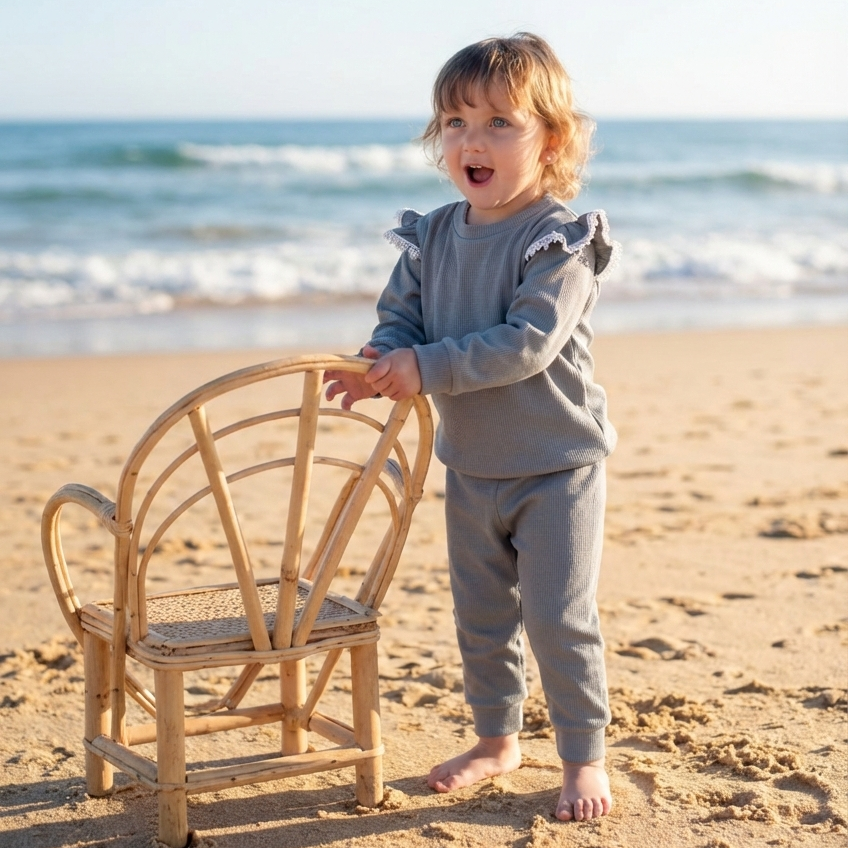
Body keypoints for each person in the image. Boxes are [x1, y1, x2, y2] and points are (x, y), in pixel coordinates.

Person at [324, 32, 619, 822]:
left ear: (549, 138)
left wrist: (428, 369)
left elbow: (528, 342)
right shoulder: (434, 235)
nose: (471, 141)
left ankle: (584, 756)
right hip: (472, 464)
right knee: (481, 617)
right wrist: (382, 360)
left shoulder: (559, 238)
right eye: (455, 123)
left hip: (557, 462)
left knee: (558, 616)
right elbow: (403, 318)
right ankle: (496, 740)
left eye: (497, 123)